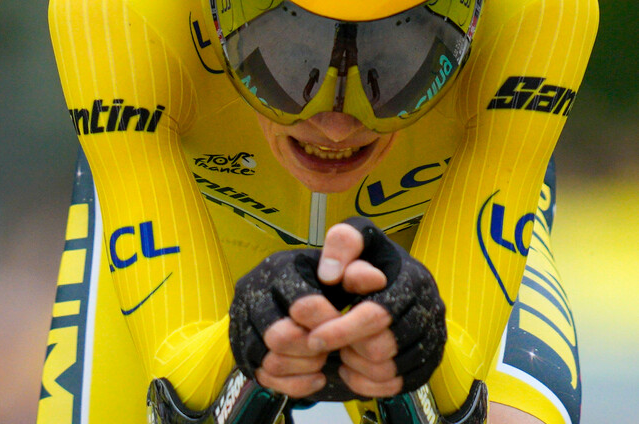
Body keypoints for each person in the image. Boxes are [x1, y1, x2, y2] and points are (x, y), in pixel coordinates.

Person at [39, 0, 598, 423]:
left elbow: (459, 388)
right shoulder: (119, 12)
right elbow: (180, 376)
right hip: (203, 219)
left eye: (398, 60)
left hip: (428, 225)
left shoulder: (542, 12)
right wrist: (237, 347)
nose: (335, 125)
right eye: (287, 52)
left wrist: (419, 341)